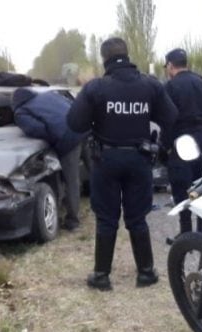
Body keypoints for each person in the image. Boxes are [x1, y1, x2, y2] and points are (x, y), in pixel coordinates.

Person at [67, 37, 178, 291]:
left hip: (105, 160)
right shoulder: (149, 85)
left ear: (104, 59)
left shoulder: (96, 88)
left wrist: (96, 115)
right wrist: (161, 145)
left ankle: (102, 276)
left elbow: (74, 123)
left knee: (106, 218)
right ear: (127, 56)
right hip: (139, 159)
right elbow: (171, 117)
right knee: (137, 217)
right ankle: (146, 273)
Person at [13, 88, 87, 231]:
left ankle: (73, 221)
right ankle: (105, 208)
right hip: (83, 129)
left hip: (67, 139)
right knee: (96, 172)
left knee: (71, 180)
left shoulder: (21, 112)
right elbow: (72, 104)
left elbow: (36, 130)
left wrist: (53, 141)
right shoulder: (48, 94)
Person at [163, 48, 202, 235]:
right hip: (200, 137)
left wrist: (167, 146)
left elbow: (166, 119)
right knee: (201, 184)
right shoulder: (200, 82)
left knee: (180, 186)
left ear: (170, 65)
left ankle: (185, 231)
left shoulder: (170, 86)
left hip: (181, 139)